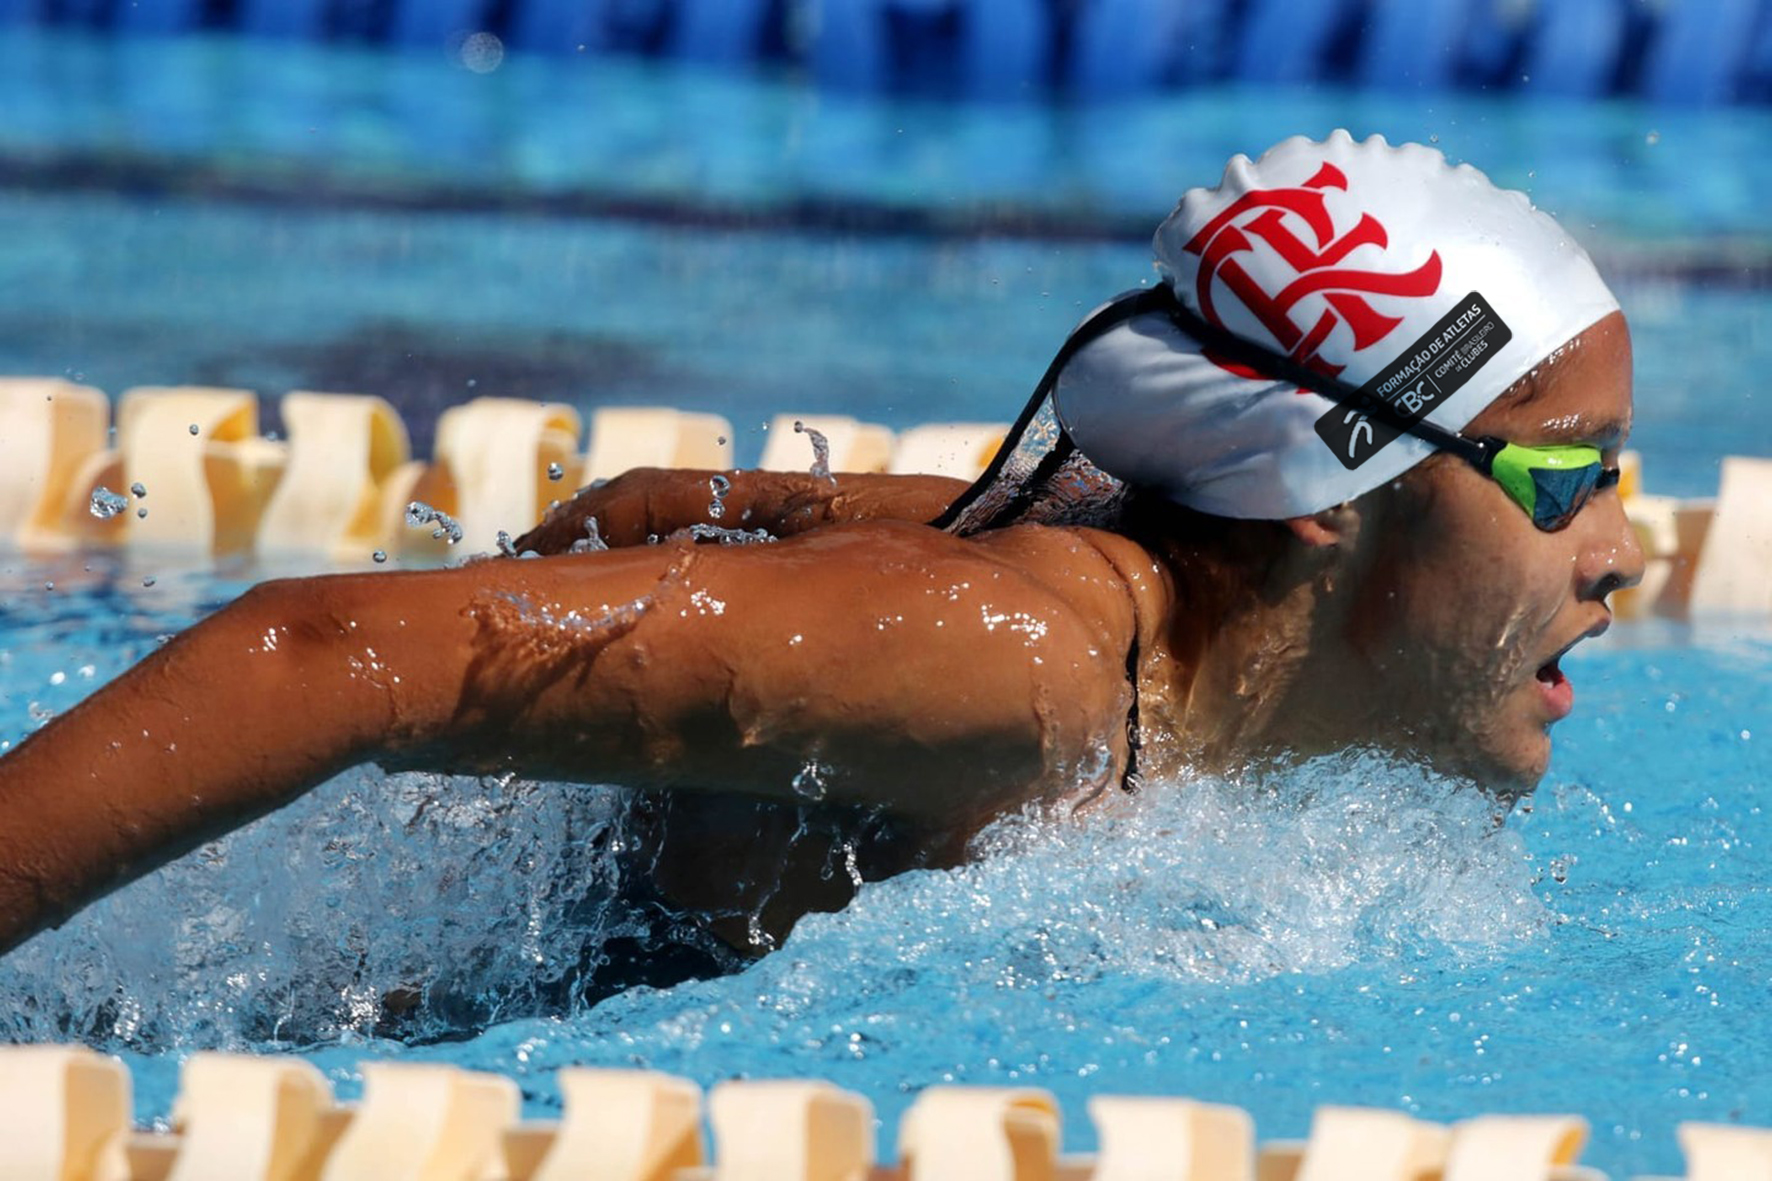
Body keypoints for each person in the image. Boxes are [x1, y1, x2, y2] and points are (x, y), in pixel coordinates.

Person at [0, 132, 1643, 972]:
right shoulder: (1016, 671)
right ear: (1322, 481)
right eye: (1568, 477)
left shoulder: (1071, 591)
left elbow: (655, 503)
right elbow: (324, 650)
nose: (1627, 551)